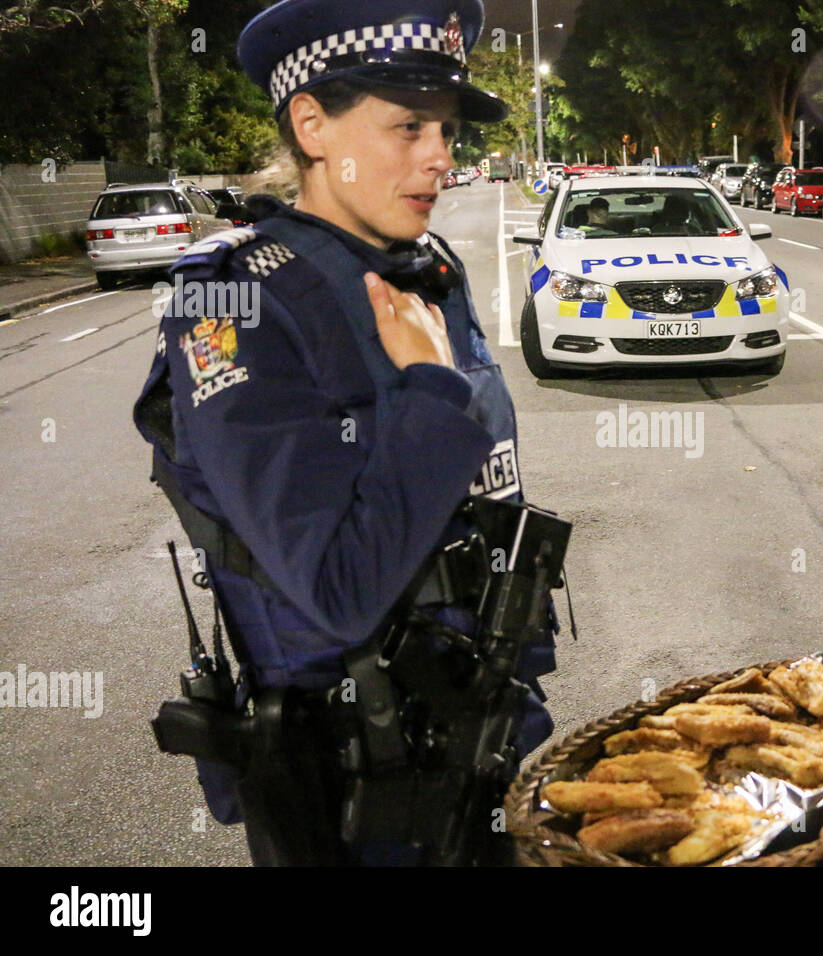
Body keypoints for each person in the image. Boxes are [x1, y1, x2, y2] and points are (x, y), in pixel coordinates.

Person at [134, 0, 559, 865]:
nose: (441, 157)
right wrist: (431, 392)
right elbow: (335, 589)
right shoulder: (230, 298)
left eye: (445, 130)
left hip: (484, 737)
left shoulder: (426, 269)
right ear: (312, 124)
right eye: (408, 127)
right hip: (362, 792)